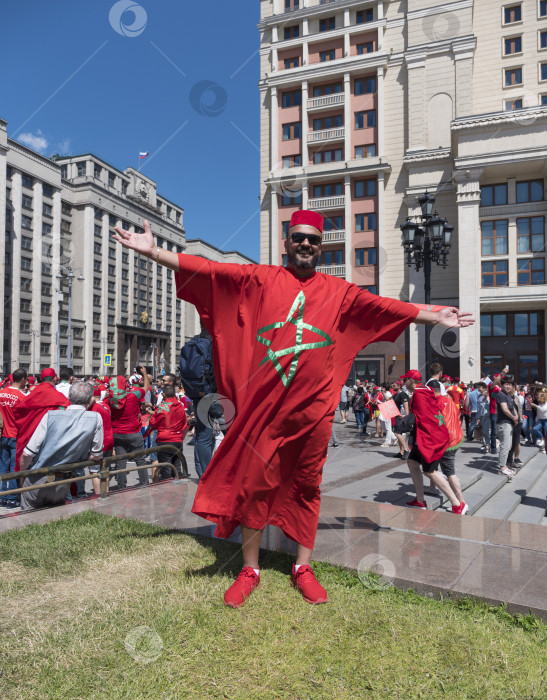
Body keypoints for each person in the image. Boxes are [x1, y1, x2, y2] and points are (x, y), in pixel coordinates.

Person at [113, 211, 474, 608]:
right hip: (263, 412)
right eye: (298, 238)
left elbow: (385, 307)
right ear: (287, 242)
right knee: (253, 486)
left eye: (313, 240)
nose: (305, 244)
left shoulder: (340, 291)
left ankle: (303, 567)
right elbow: (211, 270)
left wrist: (432, 314)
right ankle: (249, 568)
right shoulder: (262, 279)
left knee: (306, 487)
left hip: (313, 413)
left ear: (321, 246)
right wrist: (155, 254)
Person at [19, 382, 103, 511]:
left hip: (38, 477)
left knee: (28, 518)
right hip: (63, 480)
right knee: (55, 516)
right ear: (91, 399)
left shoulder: (50, 415)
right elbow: (96, 455)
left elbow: (27, 453)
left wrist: (23, 475)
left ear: (69, 396)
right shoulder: (96, 418)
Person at [406, 381, 468, 514]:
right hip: (451, 437)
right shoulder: (448, 400)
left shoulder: (431, 400)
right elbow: (457, 416)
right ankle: (421, 500)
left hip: (439, 440)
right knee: (413, 462)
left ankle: (459, 503)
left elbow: (432, 420)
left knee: (434, 471)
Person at [13, 368, 70, 472]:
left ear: (41, 379)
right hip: (50, 438)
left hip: (30, 436)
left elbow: (18, 411)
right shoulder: (59, 396)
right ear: (54, 378)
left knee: (26, 469)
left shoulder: (32, 394)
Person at [108, 368, 150, 489]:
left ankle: (121, 486)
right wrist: (144, 374)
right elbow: (146, 388)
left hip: (117, 433)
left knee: (121, 461)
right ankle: (144, 483)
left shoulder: (110, 399)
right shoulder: (133, 395)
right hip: (133, 433)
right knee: (140, 460)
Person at [146, 384, 189, 480]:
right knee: (177, 468)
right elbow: (184, 424)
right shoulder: (180, 406)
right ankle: (178, 490)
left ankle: (168, 492)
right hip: (178, 440)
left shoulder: (162, 406)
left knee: (166, 471)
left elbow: (153, 423)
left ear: (164, 395)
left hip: (165, 440)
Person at [0, 369, 28, 509]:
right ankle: (11, 499)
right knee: (13, 468)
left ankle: (2, 497)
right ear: (22, 379)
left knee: (2, 467)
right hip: (15, 436)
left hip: (3, 435)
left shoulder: (1, 392)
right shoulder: (22, 396)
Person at [392, 370, 420, 459]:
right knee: (413, 464)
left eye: (405, 381)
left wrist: (407, 417)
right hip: (399, 417)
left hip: (403, 418)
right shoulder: (399, 394)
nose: (404, 383)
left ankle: (405, 450)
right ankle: (402, 451)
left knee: (397, 433)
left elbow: (407, 406)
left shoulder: (417, 393)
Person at [496, 378, 519, 477]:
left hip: (508, 423)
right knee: (505, 445)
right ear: (502, 385)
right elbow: (505, 409)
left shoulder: (508, 395)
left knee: (508, 445)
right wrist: (514, 418)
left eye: (510, 384)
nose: (508, 386)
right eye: (506, 384)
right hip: (503, 423)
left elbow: (512, 406)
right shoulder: (501, 395)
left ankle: (504, 465)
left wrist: (516, 415)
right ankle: (502, 468)